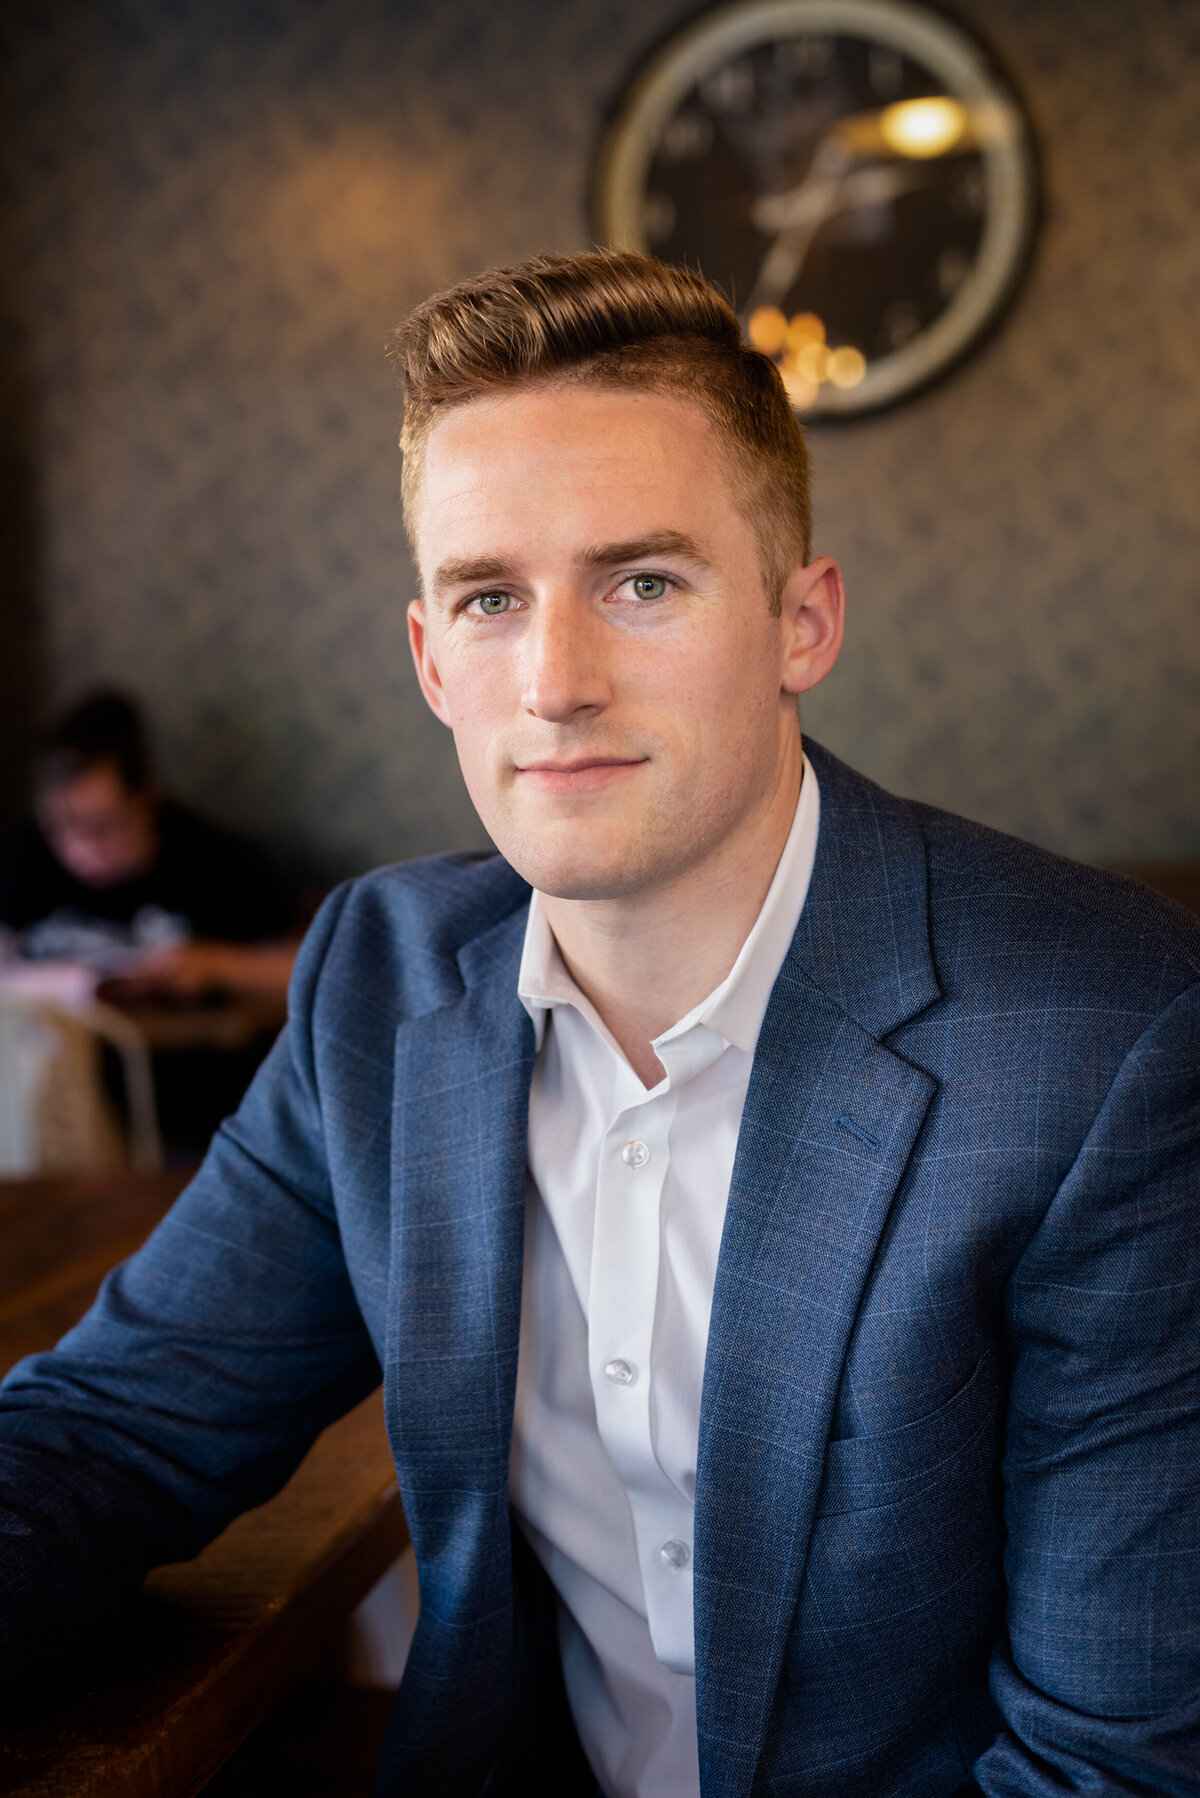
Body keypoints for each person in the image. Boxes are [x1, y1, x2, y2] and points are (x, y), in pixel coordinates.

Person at [0, 252, 1197, 1797]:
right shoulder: (382, 979)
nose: (553, 681)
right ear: (432, 657)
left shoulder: (1111, 1042)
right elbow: (110, 1432)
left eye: (642, 581)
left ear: (800, 620)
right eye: (490, 597)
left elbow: (1115, 1765)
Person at [0, 689, 298, 998]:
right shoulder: (25, 857)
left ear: (146, 798)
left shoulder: (219, 864)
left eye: (101, 826)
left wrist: (220, 965)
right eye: (58, 826)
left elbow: (309, 969)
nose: (78, 847)